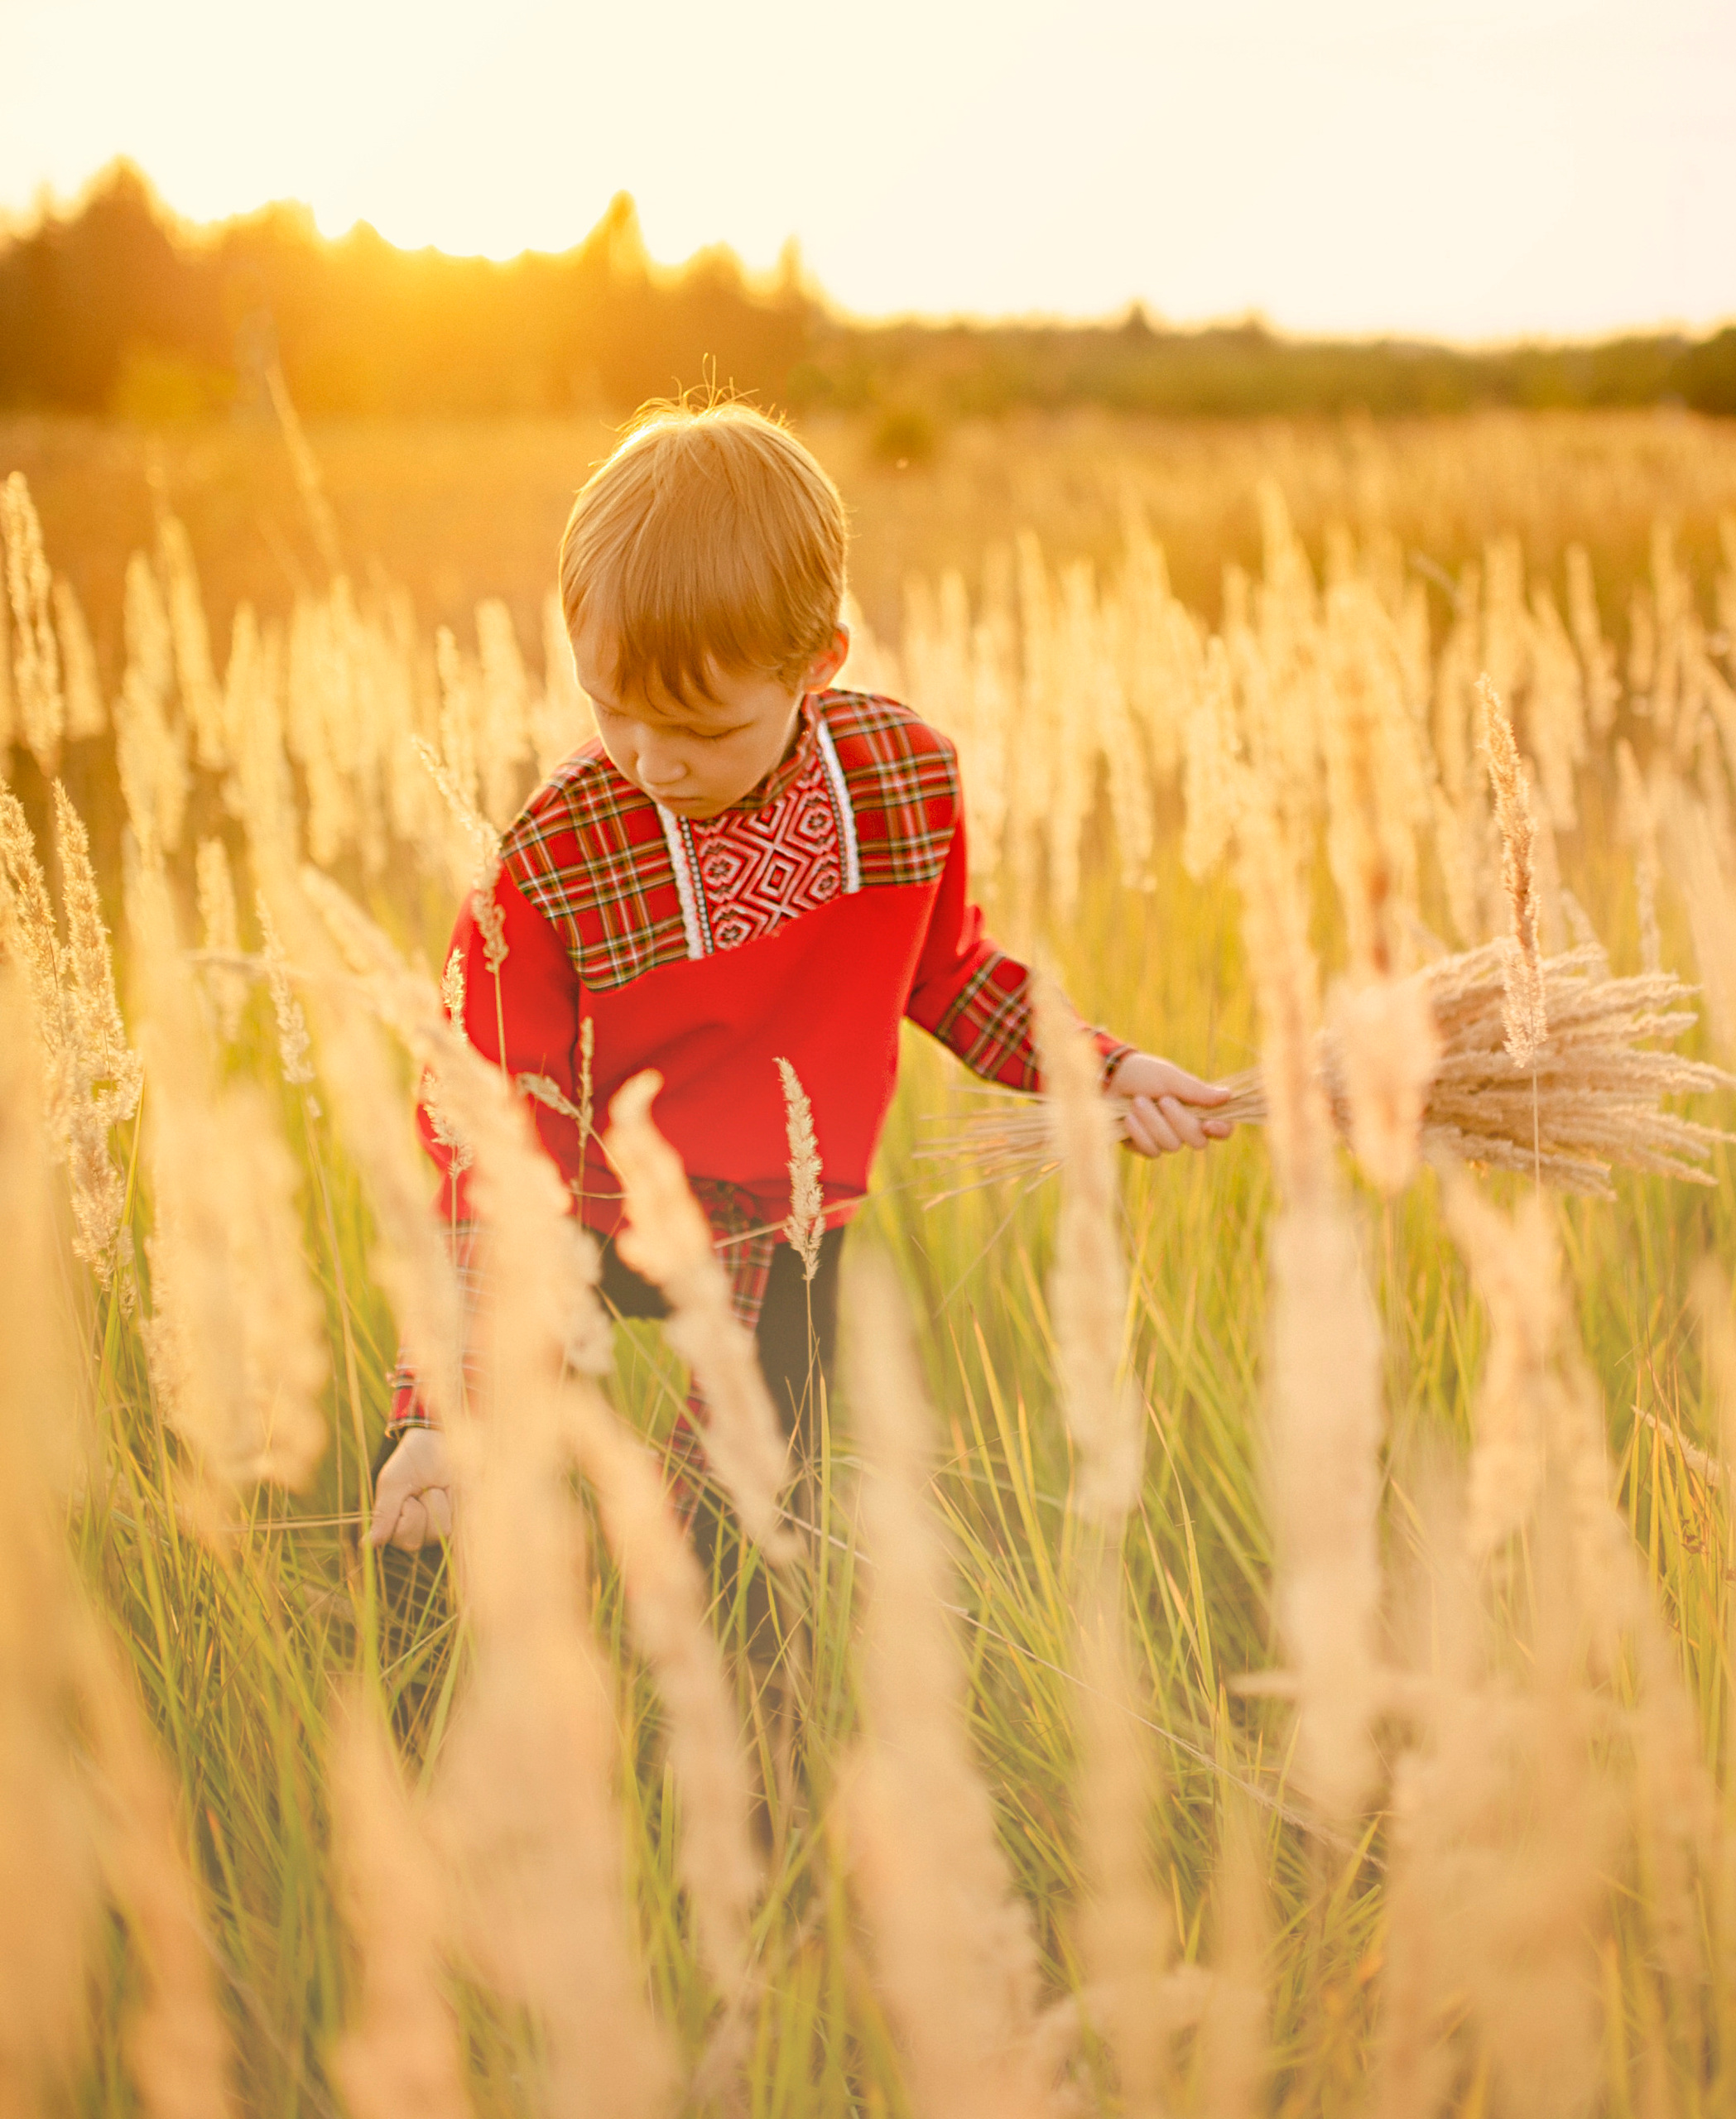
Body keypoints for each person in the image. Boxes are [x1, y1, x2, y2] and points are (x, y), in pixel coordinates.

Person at [364, 400, 1232, 1578]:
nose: (649, 758)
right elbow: (482, 1137)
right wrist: (435, 1407)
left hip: (784, 1226)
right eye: (607, 705)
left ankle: (736, 1742)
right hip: (573, 1211)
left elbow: (954, 975)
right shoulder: (549, 858)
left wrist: (1108, 1068)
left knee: (753, 1542)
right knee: (451, 1511)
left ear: (819, 663)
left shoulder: (902, 783)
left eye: (698, 725)